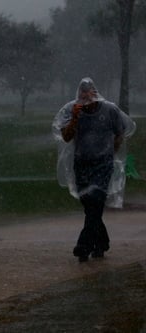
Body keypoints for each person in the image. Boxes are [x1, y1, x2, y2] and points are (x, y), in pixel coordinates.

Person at [52, 77, 136, 263]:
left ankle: (84, 245)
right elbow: (66, 137)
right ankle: (102, 242)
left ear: (95, 92)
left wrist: (110, 152)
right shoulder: (72, 110)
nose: (84, 95)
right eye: (81, 91)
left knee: (96, 200)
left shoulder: (110, 110)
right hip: (81, 164)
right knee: (91, 206)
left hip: (103, 165)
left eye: (88, 91)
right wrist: (74, 118)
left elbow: (121, 131)